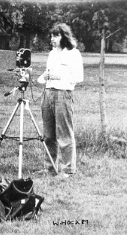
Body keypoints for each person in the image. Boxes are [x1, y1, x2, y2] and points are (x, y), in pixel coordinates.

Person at [37, 23, 83, 177]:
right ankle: (50, 167)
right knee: (48, 134)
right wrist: (43, 77)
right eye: (51, 36)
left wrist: (60, 77)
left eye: (56, 36)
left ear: (64, 36)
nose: (52, 39)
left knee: (64, 133)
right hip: (48, 93)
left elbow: (78, 77)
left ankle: (68, 169)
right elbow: (46, 74)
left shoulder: (73, 53)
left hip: (63, 94)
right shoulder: (51, 54)